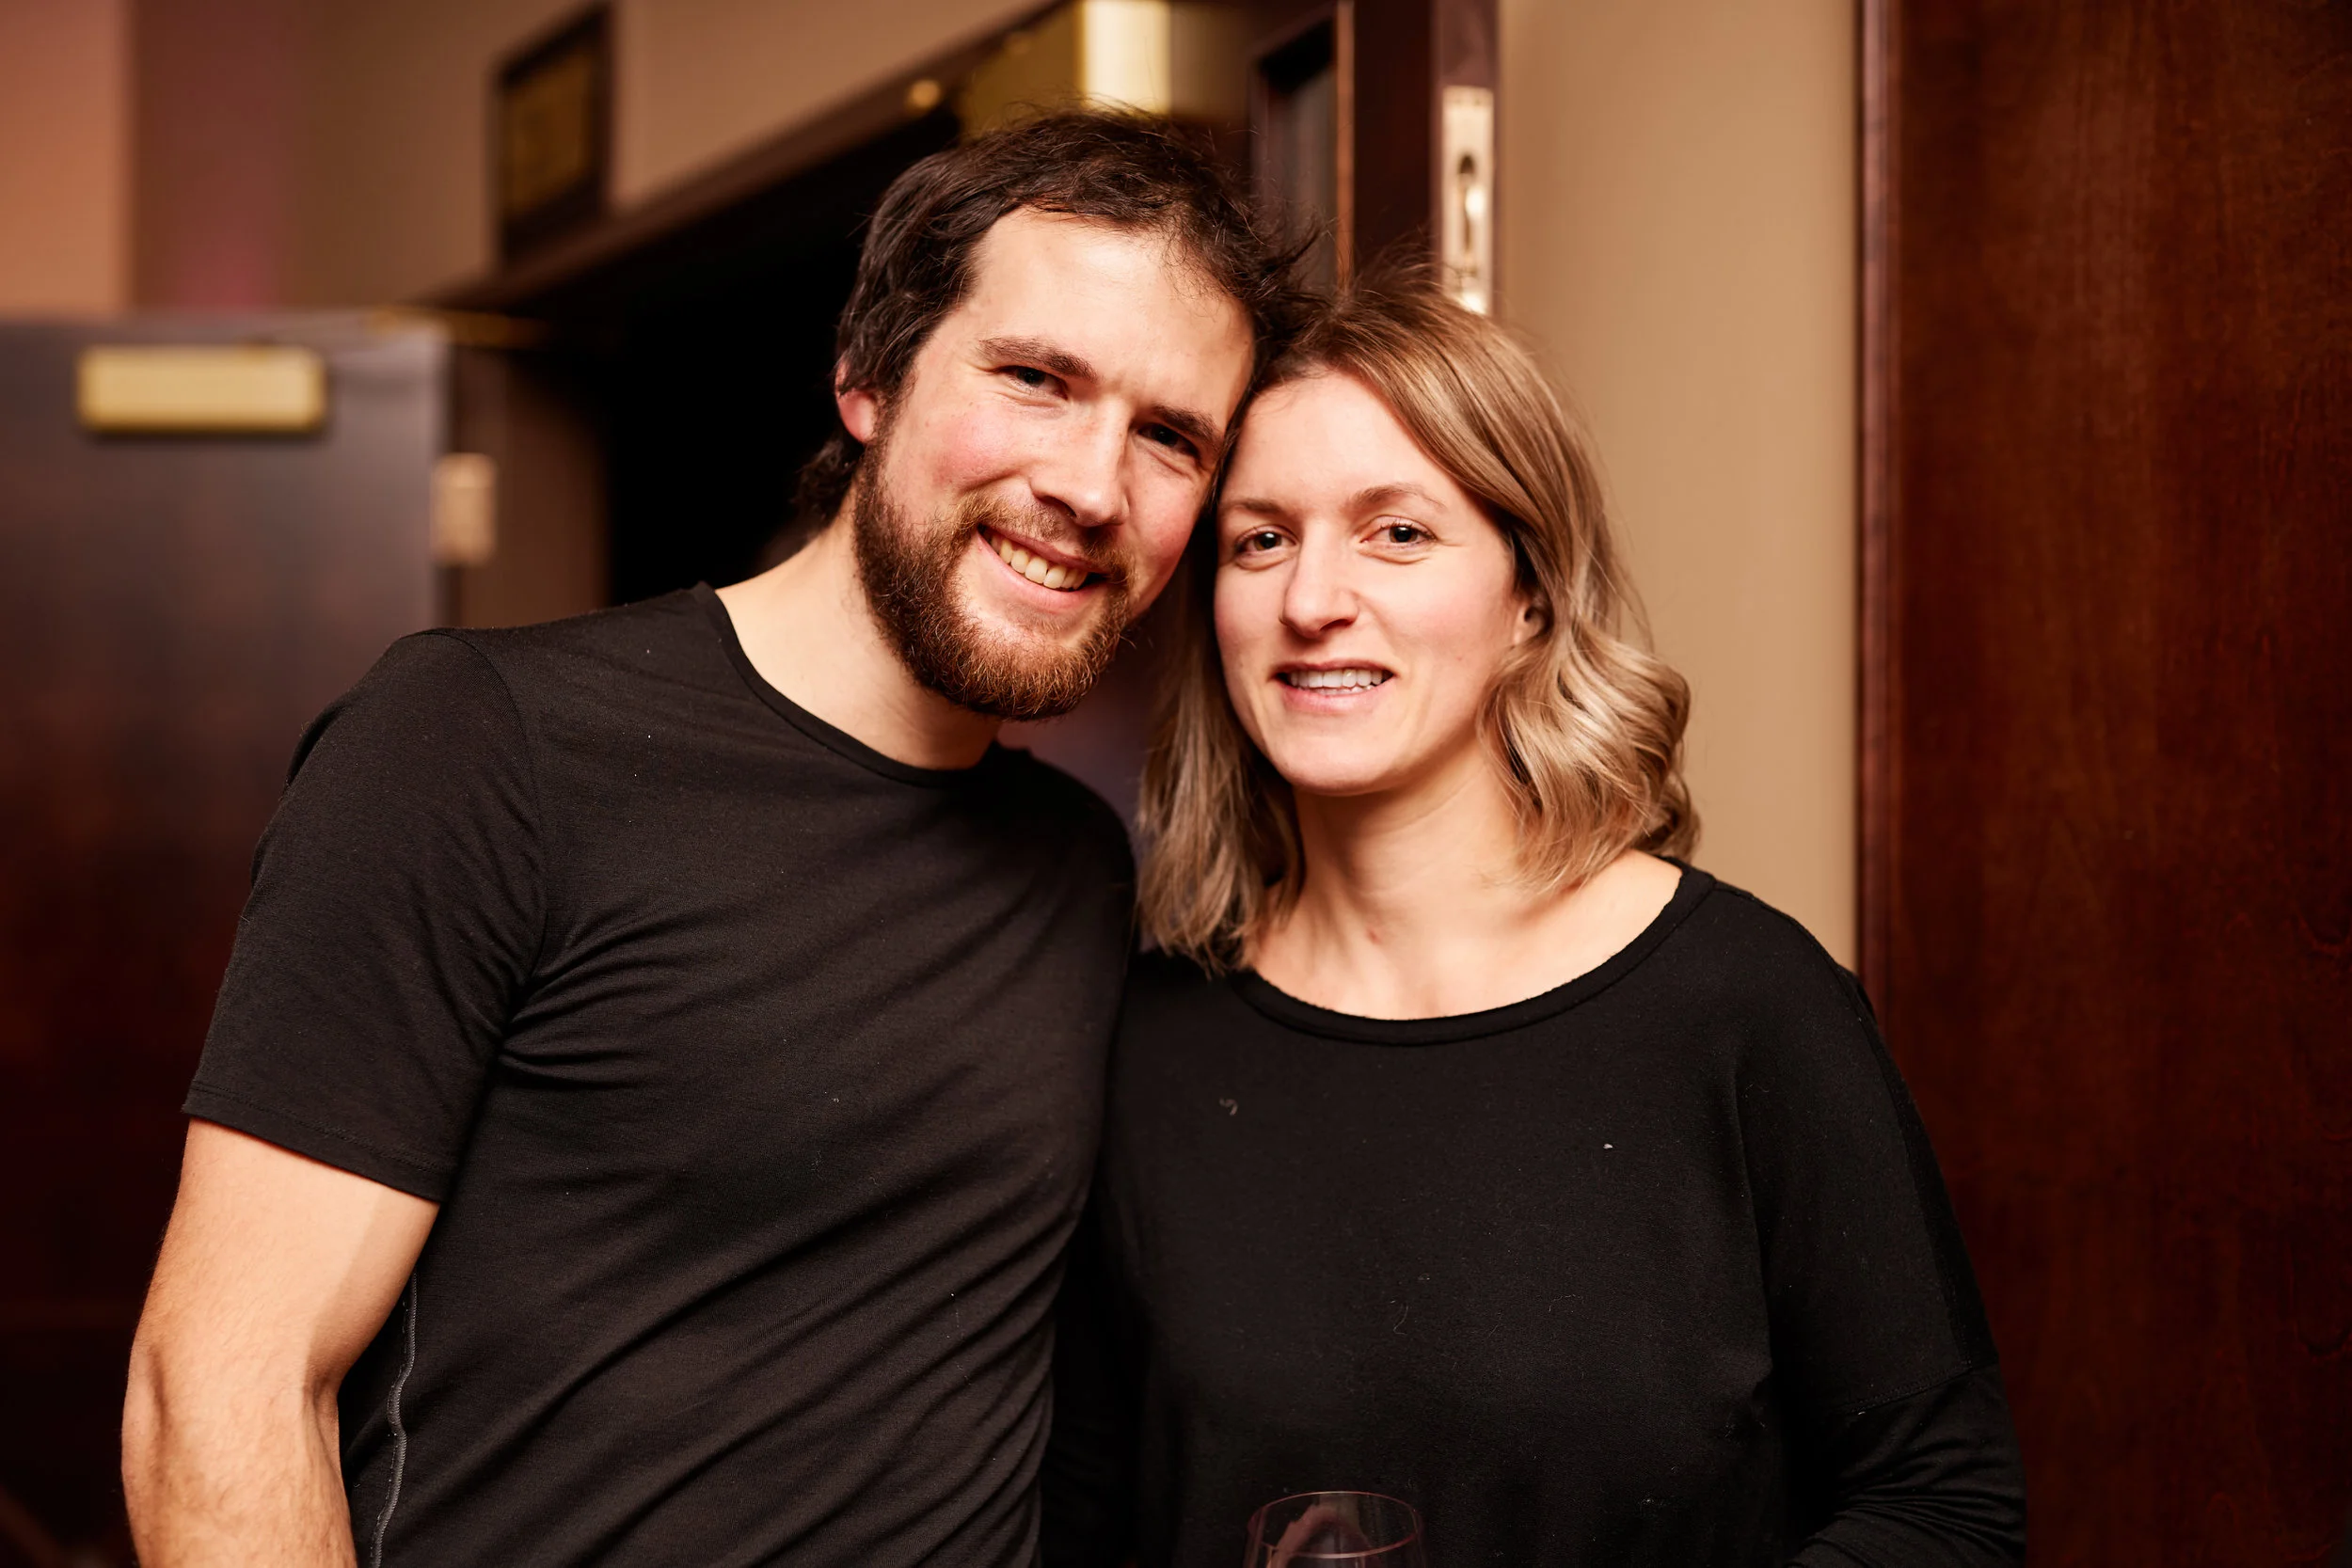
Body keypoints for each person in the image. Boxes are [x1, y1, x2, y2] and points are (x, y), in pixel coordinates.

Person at [120, 112, 1296, 1568]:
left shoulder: (1079, 868)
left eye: (1170, 436)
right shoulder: (485, 746)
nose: (1092, 486)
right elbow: (222, 1385)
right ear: (868, 374)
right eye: (1036, 380)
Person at [1041, 278, 2028, 1566]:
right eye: (1260, 539)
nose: (1312, 599)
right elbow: (1083, 1523)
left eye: (1396, 532)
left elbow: (1944, 1509)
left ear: (1531, 599)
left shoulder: (1745, 1006)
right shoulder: (1146, 1042)